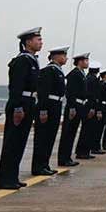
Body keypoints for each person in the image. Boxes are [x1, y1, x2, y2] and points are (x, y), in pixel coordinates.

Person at [0, 28, 42, 190]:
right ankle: (5, 179)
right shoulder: (22, 60)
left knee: (19, 142)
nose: (40, 42)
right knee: (12, 143)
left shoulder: (31, 60)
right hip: (20, 102)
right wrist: (18, 108)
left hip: (28, 102)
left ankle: (12, 177)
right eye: (38, 39)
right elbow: (16, 86)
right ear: (28, 42)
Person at [30, 45, 68, 176]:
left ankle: (44, 164)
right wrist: (43, 110)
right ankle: (38, 166)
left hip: (56, 105)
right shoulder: (49, 70)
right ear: (55, 57)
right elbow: (43, 92)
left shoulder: (57, 70)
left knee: (50, 137)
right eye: (63, 55)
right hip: (49, 105)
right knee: (42, 137)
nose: (66, 58)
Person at [57, 52, 90, 167]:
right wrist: (71, 107)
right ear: (80, 62)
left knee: (72, 133)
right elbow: (70, 93)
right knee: (68, 133)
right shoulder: (74, 74)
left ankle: (67, 157)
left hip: (80, 105)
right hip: (74, 105)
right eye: (86, 60)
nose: (87, 63)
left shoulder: (81, 74)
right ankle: (63, 158)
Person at [76, 63, 103, 160]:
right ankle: (83, 152)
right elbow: (93, 95)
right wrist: (93, 108)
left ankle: (83, 151)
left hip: (87, 106)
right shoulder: (93, 80)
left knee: (86, 130)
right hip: (90, 107)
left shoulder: (88, 78)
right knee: (88, 130)